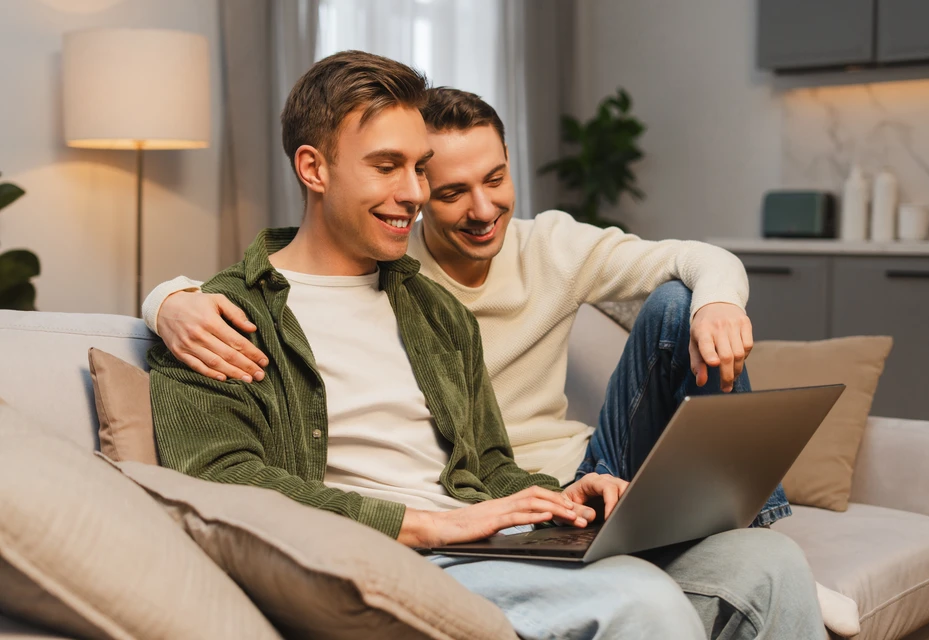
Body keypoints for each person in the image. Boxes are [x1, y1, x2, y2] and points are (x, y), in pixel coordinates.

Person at [147, 52, 824, 639]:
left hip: (500, 543)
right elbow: (220, 479)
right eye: (389, 167)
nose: (412, 194)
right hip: (404, 557)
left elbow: (492, 464)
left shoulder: (434, 310)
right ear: (313, 169)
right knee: (641, 603)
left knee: (767, 567)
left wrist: (561, 496)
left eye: (418, 168)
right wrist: (432, 525)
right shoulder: (222, 316)